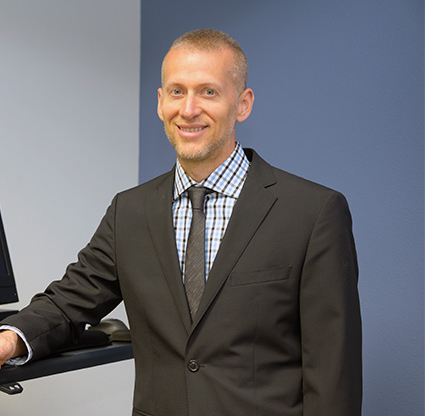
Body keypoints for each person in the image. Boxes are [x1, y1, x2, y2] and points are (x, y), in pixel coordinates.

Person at [0, 29, 362, 416]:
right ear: (160, 102)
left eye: (208, 92)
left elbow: (332, 373)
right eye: (176, 91)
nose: (188, 110)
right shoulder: (130, 211)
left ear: (242, 104)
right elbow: (69, 302)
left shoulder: (312, 212)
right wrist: (8, 340)